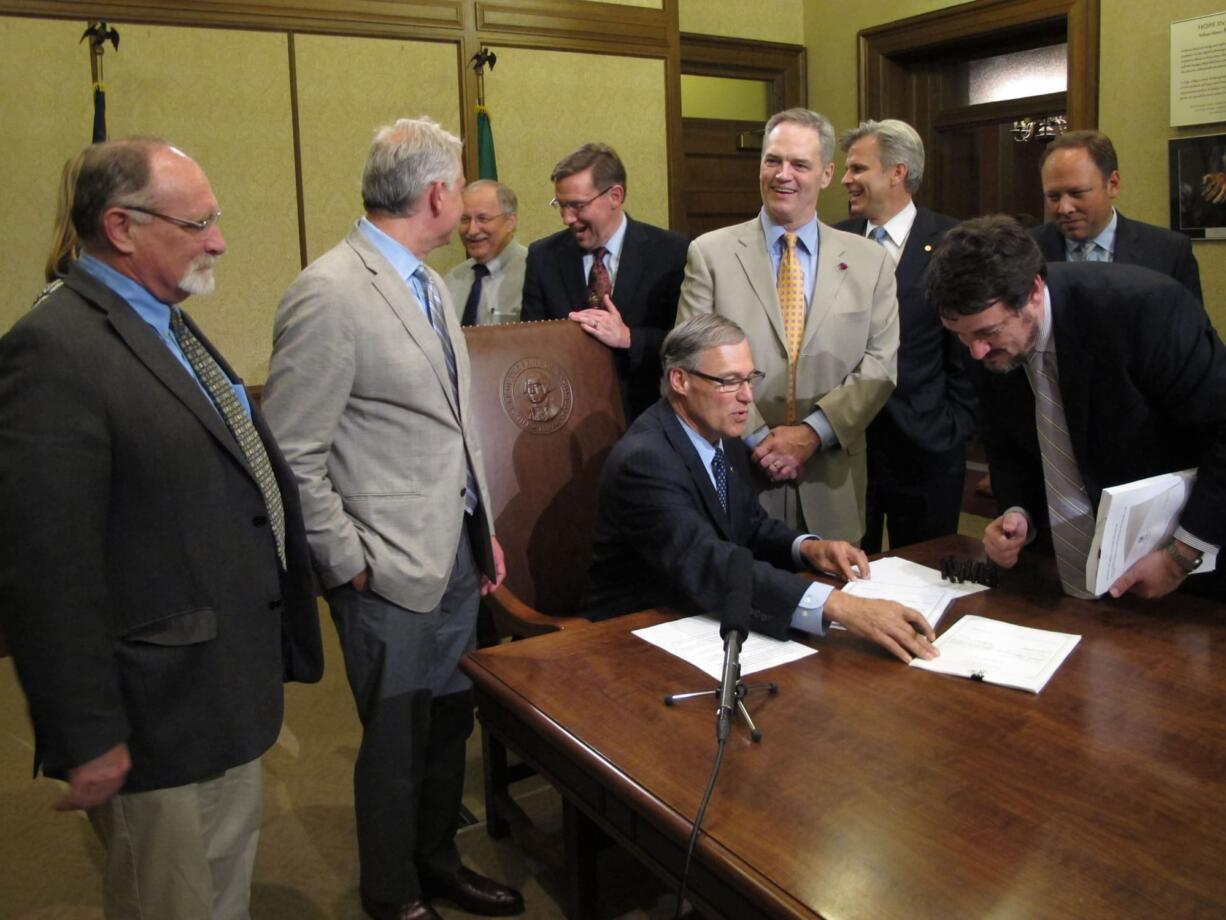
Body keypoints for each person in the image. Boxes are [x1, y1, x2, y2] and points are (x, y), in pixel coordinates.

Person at [0, 138, 324, 920]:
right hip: (157, 711)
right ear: (121, 226)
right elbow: (45, 568)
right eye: (198, 222)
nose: (217, 240)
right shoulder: (55, 349)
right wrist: (87, 733)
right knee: (171, 899)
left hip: (218, 685)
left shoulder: (161, 319)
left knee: (219, 888)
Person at [261, 117, 522, 920]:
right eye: (461, 191)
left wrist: (482, 527)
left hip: (455, 553)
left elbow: (450, 420)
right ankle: (394, 896)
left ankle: (438, 858)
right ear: (439, 194)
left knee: (449, 726)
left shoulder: (432, 283)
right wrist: (347, 561)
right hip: (384, 569)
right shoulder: (329, 290)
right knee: (395, 746)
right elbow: (293, 453)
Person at [583, 315, 938, 663]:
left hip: (699, 617)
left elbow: (748, 526)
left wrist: (809, 548)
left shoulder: (720, 433)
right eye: (730, 382)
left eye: (750, 378)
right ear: (680, 380)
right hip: (635, 636)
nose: (748, 396)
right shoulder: (645, 459)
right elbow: (708, 559)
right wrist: (839, 605)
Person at [927, 214, 1226, 601]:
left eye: (987, 332)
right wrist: (1018, 515)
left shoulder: (1144, 310)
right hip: (1066, 577)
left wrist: (1182, 555)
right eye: (961, 336)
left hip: (1192, 567)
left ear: (1034, 291)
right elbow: (1009, 447)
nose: (976, 351)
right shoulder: (978, 340)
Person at [678, 108, 899, 543]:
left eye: (800, 164)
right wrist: (760, 439)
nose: (784, 175)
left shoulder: (870, 262)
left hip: (832, 483)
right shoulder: (710, 254)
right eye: (772, 161)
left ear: (826, 174)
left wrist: (812, 435)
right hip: (739, 478)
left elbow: (880, 366)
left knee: (835, 605)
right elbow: (692, 360)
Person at [835, 118, 976, 554]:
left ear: (898, 172)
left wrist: (952, 428)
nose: (845, 179)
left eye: (858, 169)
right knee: (847, 569)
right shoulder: (834, 240)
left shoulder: (954, 242)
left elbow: (968, 350)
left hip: (925, 446)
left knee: (924, 572)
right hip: (845, 446)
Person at [521, 142, 688, 421]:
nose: (567, 218)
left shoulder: (671, 252)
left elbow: (687, 344)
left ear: (615, 195)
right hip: (566, 420)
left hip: (648, 418)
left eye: (577, 206)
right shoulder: (543, 257)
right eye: (560, 206)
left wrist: (629, 338)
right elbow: (531, 342)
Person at [1031, 129, 1202, 302]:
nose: (1064, 208)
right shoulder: (1026, 250)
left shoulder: (1168, 252)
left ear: (1112, 184)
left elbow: (1191, 327)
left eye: (1077, 193)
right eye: (1053, 197)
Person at [443, 179, 526, 325]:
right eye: (465, 219)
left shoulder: (534, 273)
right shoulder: (452, 279)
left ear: (510, 222)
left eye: (483, 219)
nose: (472, 230)